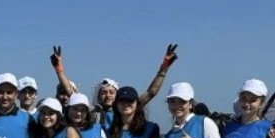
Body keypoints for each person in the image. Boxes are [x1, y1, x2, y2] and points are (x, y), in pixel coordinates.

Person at [51, 44, 179, 128]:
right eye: (104, 92)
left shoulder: (127, 108)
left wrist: (164, 67)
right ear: (98, 96)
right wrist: (59, 69)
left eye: (111, 92)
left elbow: (151, 93)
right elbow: (71, 93)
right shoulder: (93, 112)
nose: (108, 96)